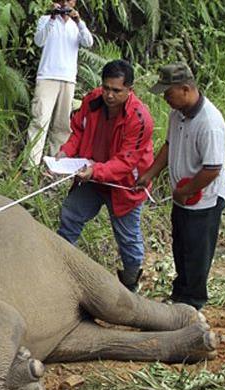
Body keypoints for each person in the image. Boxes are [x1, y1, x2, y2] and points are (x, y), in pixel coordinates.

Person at [136, 62, 225, 310]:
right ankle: (180, 294)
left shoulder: (210, 124)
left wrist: (185, 191)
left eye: (169, 93)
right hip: (183, 195)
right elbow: (169, 146)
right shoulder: (176, 115)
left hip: (205, 197)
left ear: (186, 89)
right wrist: (150, 173)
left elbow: (212, 169)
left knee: (197, 251)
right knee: (181, 244)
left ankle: (193, 302)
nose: (166, 99)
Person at [55, 60, 154, 292]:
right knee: (70, 214)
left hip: (124, 185)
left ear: (130, 89)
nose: (109, 95)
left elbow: (127, 161)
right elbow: (78, 130)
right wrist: (66, 152)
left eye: (116, 90)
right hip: (92, 175)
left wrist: (95, 171)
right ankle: (57, 265)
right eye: (106, 87)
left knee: (128, 238)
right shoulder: (92, 100)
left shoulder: (139, 118)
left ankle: (131, 284)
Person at [25, 0, 94, 168]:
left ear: (74, 3)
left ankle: (56, 164)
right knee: (40, 119)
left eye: (70, 1)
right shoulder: (45, 19)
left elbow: (88, 42)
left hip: (68, 78)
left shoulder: (77, 25)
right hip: (47, 75)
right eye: (63, 1)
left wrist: (79, 21)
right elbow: (39, 41)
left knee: (62, 124)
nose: (66, 4)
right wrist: (52, 18)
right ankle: (30, 164)